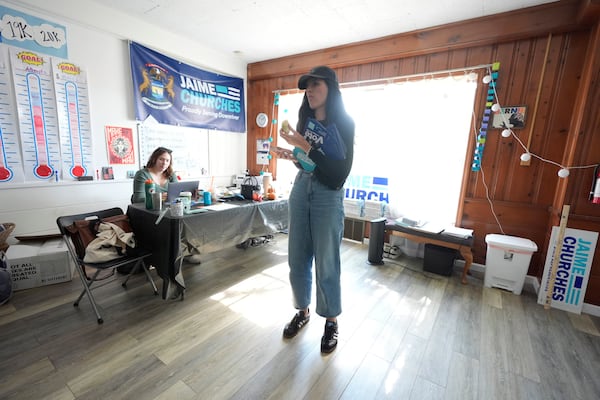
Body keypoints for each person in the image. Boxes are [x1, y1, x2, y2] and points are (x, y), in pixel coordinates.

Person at [272, 66, 355, 354]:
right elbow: (307, 163)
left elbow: (338, 173)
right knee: (297, 257)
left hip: (327, 195)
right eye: (307, 86)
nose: (309, 90)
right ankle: (302, 312)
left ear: (330, 88)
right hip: (300, 189)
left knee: (327, 262)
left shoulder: (345, 123)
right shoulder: (305, 121)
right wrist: (292, 155)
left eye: (316, 85)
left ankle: (331, 321)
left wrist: (303, 145)